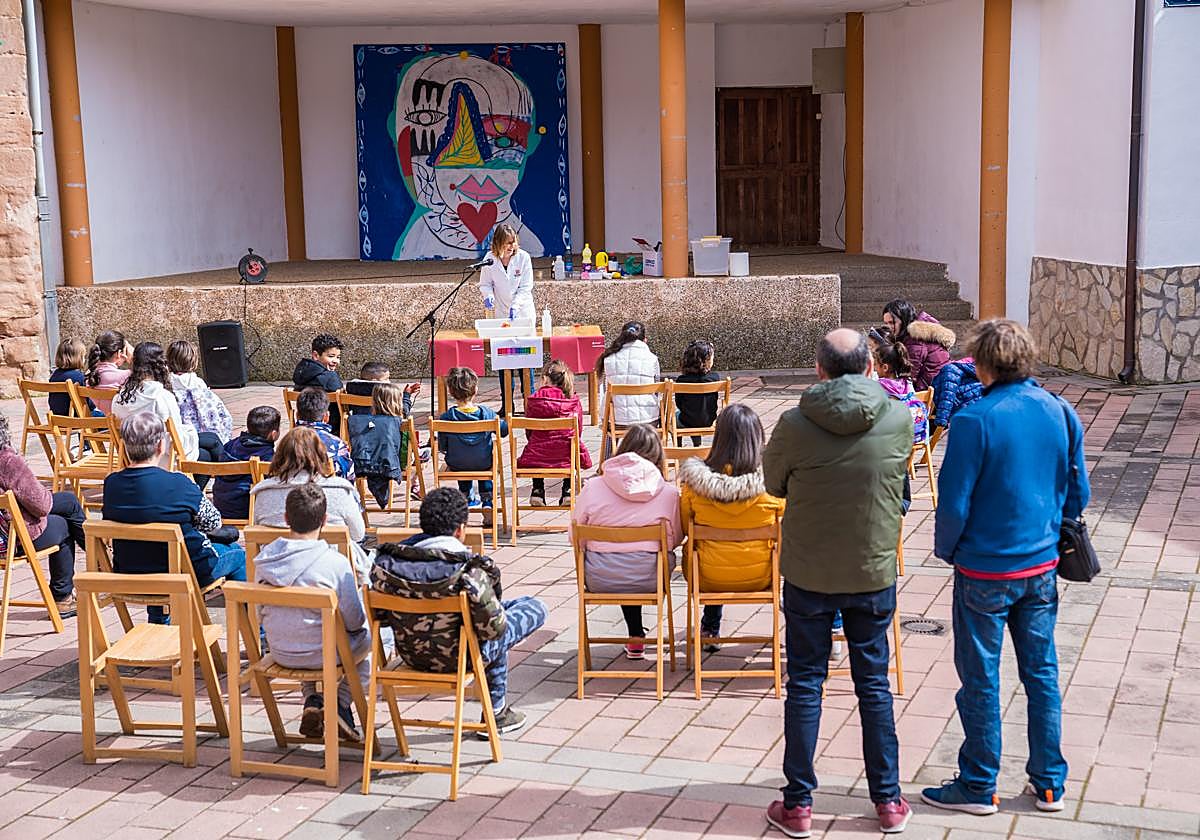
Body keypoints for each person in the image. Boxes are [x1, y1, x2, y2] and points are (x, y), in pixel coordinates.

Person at [922, 320, 1090, 816]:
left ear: (984, 363)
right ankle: (1050, 782)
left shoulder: (974, 420)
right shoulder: (1060, 412)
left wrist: (948, 550)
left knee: (980, 677)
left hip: (984, 570)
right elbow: (1077, 494)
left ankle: (978, 782)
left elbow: (953, 504)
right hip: (1039, 564)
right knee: (1041, 673)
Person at [762, 328, 913, 836]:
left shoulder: (794, 423)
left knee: (805, 682)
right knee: (874, 685)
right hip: (871, 567)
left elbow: (772, 483)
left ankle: (798, 804)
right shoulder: (897, 419)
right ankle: (888, 800)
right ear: (871, 368)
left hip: (808, 570)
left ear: (819, 369)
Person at [372, 487, 547, 736]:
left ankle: (497, 712)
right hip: (460, 657)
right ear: (460, 529)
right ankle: (495, 714)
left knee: (492, 621)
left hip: (412, 654)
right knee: (532, 608)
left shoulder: (386, 566)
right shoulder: (468, 572)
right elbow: (493, 629)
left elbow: (379, 617)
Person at [103, 413, 247, 624]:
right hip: (184, 571)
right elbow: (213, 522)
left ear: (124, 445)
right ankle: (257, 633)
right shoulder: (178, 483)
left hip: (131, 570)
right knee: (237, 555)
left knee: (153, 549)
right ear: (161, 445)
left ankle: (159, 626)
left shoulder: (112, 484)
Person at [255, 484, 370, 741]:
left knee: (303, 628)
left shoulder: (265, 560)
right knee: (378, 636)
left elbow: (259, 613)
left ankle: (314, 700)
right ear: (325, 521)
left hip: (281, 651)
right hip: (323, 653)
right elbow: (355, 622)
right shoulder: (335, 563)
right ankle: (339, 704)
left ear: (286, 519)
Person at [678, 404, 786, 653]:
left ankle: (710, 626)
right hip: (762, 574)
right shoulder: (774, 485)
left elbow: (685, 528)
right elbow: (788, 527)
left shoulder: (694, 485)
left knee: (706, 549)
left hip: (707, 576)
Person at [571, 425, 681, 661]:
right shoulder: (669, 493)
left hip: (600, 577)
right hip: (650, 576)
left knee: (619, 557)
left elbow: (575, 536)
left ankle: (635, 634)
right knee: (652, 556)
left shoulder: (593, 487)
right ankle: (637, 636)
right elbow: (676, 539)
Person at [250, 426, 369, 579]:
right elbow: (358, 534)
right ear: (320, 455)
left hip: (278, 572)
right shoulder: (339, 489)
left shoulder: (263, 493)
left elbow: (258, 537)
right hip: (331, 572)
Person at [0, 415, 86, 617]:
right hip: (13, 539)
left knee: (68, 502)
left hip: (4, 533)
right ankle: (62, 597)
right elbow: (42, 506)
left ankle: (102, 556)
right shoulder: (7, 461)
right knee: (65, 524)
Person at [438, 367, 508, 528]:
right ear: (475, 389)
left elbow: (442, 445)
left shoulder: (446, 417)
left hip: (457, 463)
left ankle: (465, 498)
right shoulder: (487, 413)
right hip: (483, 461)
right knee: (484, 465)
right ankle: (488, 502)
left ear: (450, 391)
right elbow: (504, 431)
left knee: (461, 459)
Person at [518, 360, 593, 507]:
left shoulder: (534, 400)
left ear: (545, 379)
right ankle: (567, 489)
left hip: (537, 456)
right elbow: (577, 431)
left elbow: (529, 432)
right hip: (565, 456)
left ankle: (538, 490)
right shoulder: (572, 399)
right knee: (571, 445)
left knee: (536, 445)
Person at [111, 341, 202, 464]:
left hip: (131, 460)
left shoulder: (118, 399)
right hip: (163, 461)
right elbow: (178, 445)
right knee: (208, 450)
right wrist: (191, 432)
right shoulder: (163, 398)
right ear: (160, 365)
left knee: (210, 441)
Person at [479, 223, 536, 414]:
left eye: (514, 242)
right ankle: (507, 405)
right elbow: (485, 284)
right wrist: (488, 297)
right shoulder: (489, 260)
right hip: (502, 315)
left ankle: (530, 403)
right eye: (507, 243)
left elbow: (526, 287)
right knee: (504, 360)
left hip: (522, 313)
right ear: (498, 243)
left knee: (525, 358)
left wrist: (516, 305)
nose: (512, 247)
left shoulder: (523, 258)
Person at [596, 321, 662, 457]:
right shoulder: (652, 359)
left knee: (610, 416)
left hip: (618, 422)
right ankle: (652, 460)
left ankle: (607, 460)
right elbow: (656, 389)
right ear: (645, 340)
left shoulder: (608, 358)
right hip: (648, 420)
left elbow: (605, 391)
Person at [167, 340, 233, 465]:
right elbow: (217, 414)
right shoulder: (197, 384)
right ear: (193, 361)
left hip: (175, 439)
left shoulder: (166, 384)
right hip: (198, 435)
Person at [348, 382, 410, 508]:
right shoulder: (398, 421)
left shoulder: (356, 420)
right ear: (397, 403)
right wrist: (407, 396)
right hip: (391, 466)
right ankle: (415, 486)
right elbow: (404, 410)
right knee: (419, 455)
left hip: (363, 465)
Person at [213, 406, 281, 521]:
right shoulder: (268, 457)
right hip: (247, 509)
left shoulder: (229, 445)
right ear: (273, 434)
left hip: (221, 506)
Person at [881, 299, 955, 392]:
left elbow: (908, 375)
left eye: (892, 322)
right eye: (886, 323)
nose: (888, 327)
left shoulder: (915, 339)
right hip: (938, 384)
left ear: (903, 320)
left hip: (935, 391)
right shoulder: (910, 335)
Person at [870, 331, 929, 446]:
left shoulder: (879, 386)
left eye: (876, 364)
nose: (874, 368)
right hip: (913, 436)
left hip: (889, 440)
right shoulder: (907, 382)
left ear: (885, 367)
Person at [295, 387, 355, 480]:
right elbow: (348, 478)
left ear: (297, 415)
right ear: (326, 417)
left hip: (291, 493)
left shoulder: (286, 443)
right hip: (328, 492)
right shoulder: (337, 445)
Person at [293, 333, 345, 434]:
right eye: (331, 356)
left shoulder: (300, 372)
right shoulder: (330, 377)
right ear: (316, 355)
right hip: (330, 428)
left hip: (302, 428)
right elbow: (344, 401)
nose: (336, 361)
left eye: (338, 357)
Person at [674, 340, 721, 446]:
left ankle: (679, 449)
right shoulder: (714, 378)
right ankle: (698, 445)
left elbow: (679, 404)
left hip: (686, 420)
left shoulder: (682, 380)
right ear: (707, 361)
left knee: (674, 418)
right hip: (709, 420)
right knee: (697, 414)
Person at [344, 361, 420, 418]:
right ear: (374, 381)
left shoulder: (351, 389)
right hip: (385, 431)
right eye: (386, 379)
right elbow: (402, 413)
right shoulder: (386, 391)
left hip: (357, 430)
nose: (389, 382)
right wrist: (407, 395)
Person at [85, 329, 133, 414]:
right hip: (117, 426)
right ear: (119, 353)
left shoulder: (89, 375)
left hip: (94, 426)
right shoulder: (127, 376)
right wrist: (133, 359)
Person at [930, 357, 982, 430]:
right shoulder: (985, 376)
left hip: (960, 417)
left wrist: (941, 420)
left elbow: (947, 395)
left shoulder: (951, 369)